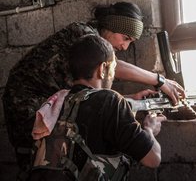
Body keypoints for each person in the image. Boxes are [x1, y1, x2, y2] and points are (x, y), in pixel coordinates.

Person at [1, 1, 183, 179]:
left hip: (50, 103)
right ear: (111, 26)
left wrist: (131, 100)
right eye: (126, 38)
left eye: (131, 42)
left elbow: (84, 100)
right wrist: (159, 80)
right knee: (44, 160)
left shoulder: (92, 45)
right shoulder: (82, 34)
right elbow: (111, 67)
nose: (124, 47)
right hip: (26, 103)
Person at [27, 34, 166, 180]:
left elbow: (88, 102)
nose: (112, 76)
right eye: (113, 68)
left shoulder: (55, 102)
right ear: (103, 69)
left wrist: (131, 99)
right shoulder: (111, 100)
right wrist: (149, 129)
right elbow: (153, 159)